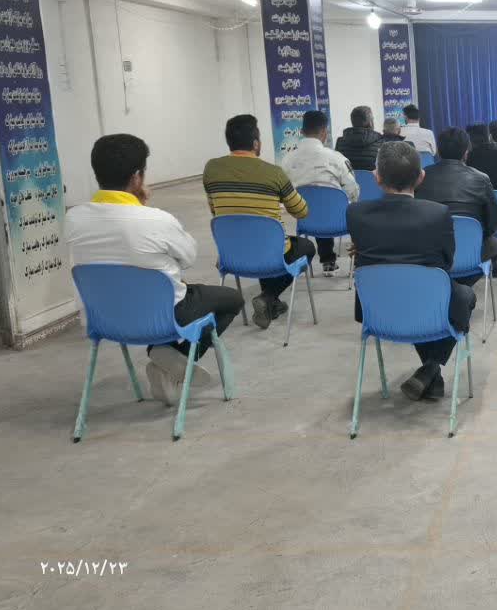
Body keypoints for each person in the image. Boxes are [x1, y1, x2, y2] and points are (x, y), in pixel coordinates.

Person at [66, 134, 244, 406]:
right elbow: (188, 257)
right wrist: (142, 209)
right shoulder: (157, 220)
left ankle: (166, 360)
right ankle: (173, 356)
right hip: (162, 317)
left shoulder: (73, 219)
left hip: (104, 318)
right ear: (137, 177)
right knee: (232, 300)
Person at [347, 141, 476, 400]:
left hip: (377, 310)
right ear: (421, 177)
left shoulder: (355, 213)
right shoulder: (437, 214)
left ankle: (430, 374)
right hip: (427, 305)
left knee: (423, 295)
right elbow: (447, 262)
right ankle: (431, 368)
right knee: (463, 296)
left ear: (376, 177)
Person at [204, 114, 315, 329]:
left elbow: (215, 210)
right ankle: (268, 297)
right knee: (306, 247)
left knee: (267, 243)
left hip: (232, 253)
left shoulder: (211, 169)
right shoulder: (274, 173)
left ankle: (272, 304)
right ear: (256, 143)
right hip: (269, 251)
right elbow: (301, 211)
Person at [280, 110, 360, 276]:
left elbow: (284, 193)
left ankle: (327, 260)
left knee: (315, 207)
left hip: (306, 219)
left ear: (301, 131)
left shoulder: (287, 160)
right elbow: (353, 191)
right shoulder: (337, 158)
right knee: (342, 207)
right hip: (337, 220)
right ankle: (358, 264)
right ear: (324, 132)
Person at [416, 128, 497, 278]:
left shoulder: (421, 177)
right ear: (466, 152)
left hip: (432, 256)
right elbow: (494, 223)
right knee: (495, 246)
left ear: (438, 151)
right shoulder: (481, 179)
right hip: (472, 253)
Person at [335, 105, 384, 171]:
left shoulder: (340, 143)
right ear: (370, 122)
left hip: (347, 178)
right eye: (372, 119)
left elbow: (337, 168)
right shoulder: (381, 142)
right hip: (373, 178)